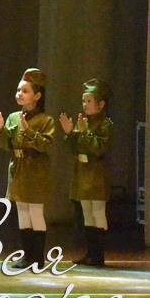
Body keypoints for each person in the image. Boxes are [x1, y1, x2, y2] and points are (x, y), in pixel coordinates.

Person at [0, 68, 55, 270]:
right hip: (18, 169)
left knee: (35, 212)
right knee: (22, 212)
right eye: (18, 90)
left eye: (25, 91)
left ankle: (38, 257)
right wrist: (0, 129)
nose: (19, 94)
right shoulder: (14, 117)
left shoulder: (45, 120)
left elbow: (45, 144)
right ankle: (27, 256)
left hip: (35, 170)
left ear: (37, 95)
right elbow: (6, 143)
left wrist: (29, 131)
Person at [59, 78, 113, 267]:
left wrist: (83, 133)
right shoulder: (84, 122)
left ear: (101, 104)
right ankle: (90, 252)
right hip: (82, 173)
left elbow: (99, 148)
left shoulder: (105, 124)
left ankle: (98, 254)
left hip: (96, 174)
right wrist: (70, 134)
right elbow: (74, 148)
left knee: (97, 212)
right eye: (83, 101)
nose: (85, 104)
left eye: (89, 101)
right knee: (87, 214)